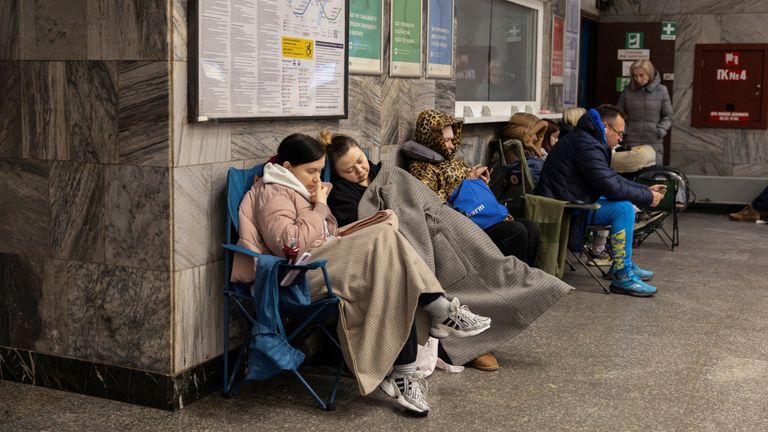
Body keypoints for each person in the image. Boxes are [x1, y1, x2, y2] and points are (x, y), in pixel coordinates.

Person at [233, 133, 491, 416]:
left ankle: (405, 372)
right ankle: (439, 310)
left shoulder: (297, 189)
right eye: (311, 171)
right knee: (383, 241)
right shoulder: (275, 192)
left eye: (320, 171)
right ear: (287, 166)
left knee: (392, 270)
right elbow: (290, 244)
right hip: (294, 277)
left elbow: (325, 237)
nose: (317, 178)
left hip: (321, 265)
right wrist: (320, 205)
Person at [324, 131, 572, 373]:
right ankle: (465, 342)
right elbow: (364, 227)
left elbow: (426, 201)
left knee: (492, 259)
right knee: (451, 275)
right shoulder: (343, 195)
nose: (359, 170)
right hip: (405, 244)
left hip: (441, 226)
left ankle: (501, 313)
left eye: (360, 160)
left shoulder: (391, 172)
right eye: (349, 170)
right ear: (337, 173)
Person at [534, 105, 666, 297]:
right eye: (619, 133)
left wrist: (644, 190)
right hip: (564, 209)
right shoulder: (586, 145)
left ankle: (621, 264)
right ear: (605, 127)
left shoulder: (587, 139)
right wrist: (647, 197)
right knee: (623, 209)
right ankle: (622, 274)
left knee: (624, 205)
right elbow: (610, 185)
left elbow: (610, 178)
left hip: (572, 200)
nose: (620, 139)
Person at [408, 109, 540, 267]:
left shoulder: (453, 161)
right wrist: (467, 182)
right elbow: (432, 205)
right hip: (464, 224)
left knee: (532, 229)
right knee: (516, 231)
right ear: (432, 138)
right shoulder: (422, 167)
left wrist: (481, 183)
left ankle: (527, 279)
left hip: (482, 216)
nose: (451, 145)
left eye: (452, 139)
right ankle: (510, 282)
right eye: (446, 140)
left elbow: (471, 193)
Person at [616, 59, 673, 169]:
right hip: (631, 139)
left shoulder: (662, 90)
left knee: (652, 175)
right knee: (630, 173)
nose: (638, 79)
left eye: (641, 75)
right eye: (635, 76)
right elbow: (619, 114)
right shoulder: (628, 91)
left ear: (649, 74)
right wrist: (625, 130)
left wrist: (660, 130)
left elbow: (668, 116)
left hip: (653, 140)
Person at [498, 112, 548, 185]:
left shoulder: (528, 155)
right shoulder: (520, 163)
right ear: (523, 132)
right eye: (533, 133)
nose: (536, 138)